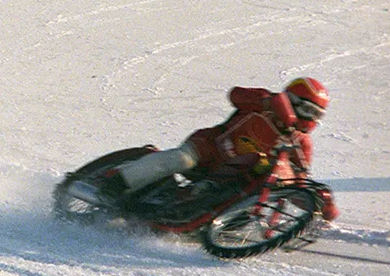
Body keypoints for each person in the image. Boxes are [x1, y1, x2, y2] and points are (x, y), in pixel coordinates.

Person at [98, 77, 339, 221]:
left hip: (234, 175)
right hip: (210, 149)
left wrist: (317, 203)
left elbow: (298, 175)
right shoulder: (264, 103)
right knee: (181, 160)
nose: (310, 119)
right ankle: (116, 183)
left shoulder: (301, 142)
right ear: (291, 101)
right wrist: (267, 101)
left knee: (245, 197)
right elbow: (236, 95)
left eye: (317, 115)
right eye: (307, 110)